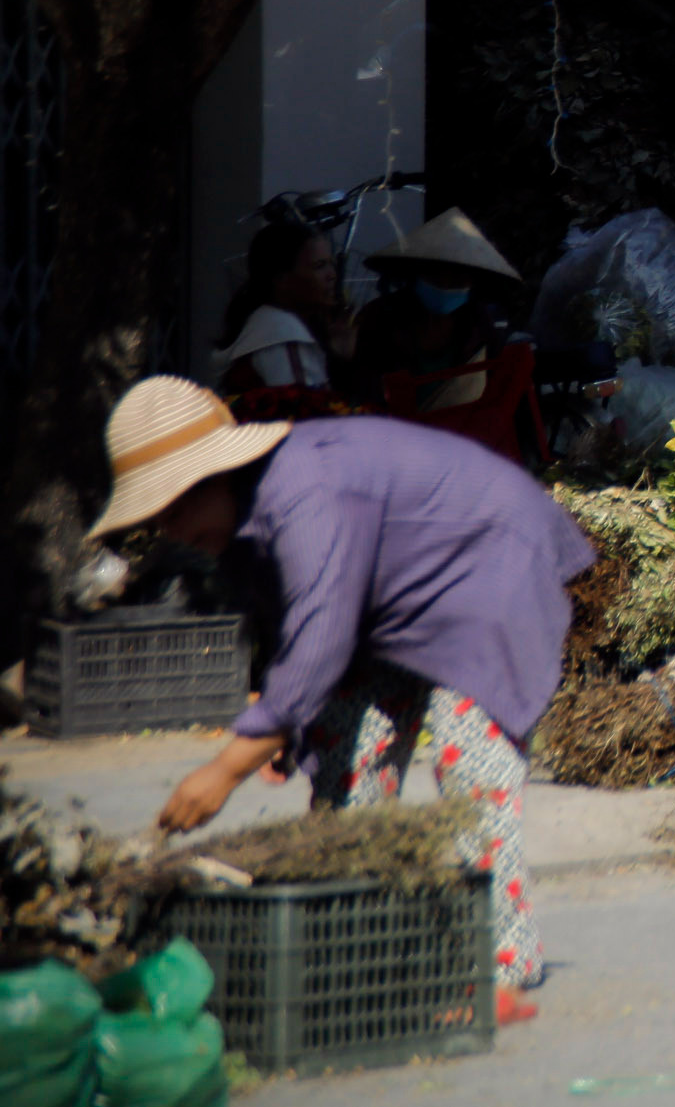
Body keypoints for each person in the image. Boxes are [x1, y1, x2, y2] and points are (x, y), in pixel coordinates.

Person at [89, 375, 593, 1024]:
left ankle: (497, 965)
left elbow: (321, 633)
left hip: (488, 567)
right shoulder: (239, 525)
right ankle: (359, 940)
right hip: (389, 606)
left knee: (470, 764)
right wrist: (283, 726)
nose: (168, 530)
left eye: (171, 510)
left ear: (211, 478)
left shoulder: (306, 490)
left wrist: (228, 764)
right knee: (342, 758)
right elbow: (289, 632)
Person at [349, 208, 523, 412]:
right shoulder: (378, 318)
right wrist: (343, 358)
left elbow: (499, 395)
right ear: (416, 273)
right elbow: (358, 395)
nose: (446, 284)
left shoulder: (480, 324)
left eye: (458, 278)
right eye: (436, 275)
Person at [213, 223, 354, 394]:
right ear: (282, 279)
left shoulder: (268, 323)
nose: (332, 275)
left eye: (331, 264)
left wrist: (339, 357)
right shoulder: (280, 331)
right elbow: (304, 411)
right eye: (319, 266)